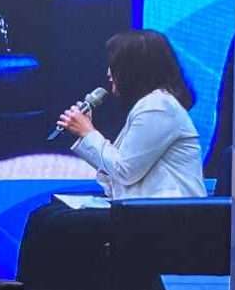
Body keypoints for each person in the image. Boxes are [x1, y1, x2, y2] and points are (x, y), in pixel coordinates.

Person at [57, 29, 206, 200]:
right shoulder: (150, 105)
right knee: (52, 212)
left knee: (57, 216)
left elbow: (124, 171)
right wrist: (85, 133)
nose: (108, 73)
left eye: (114, 65)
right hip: (145, 207)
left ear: (134, 69)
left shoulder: (158, 107)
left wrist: (88, 132)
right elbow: (116, 175)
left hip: (169, 211)